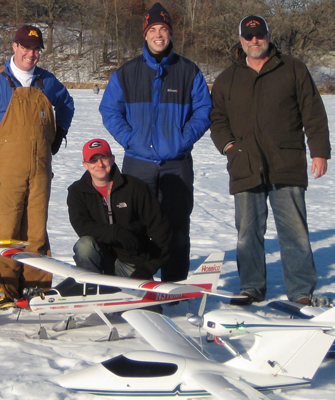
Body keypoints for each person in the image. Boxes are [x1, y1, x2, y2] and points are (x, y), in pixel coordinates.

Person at [209, 15, 330, 306]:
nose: (255, 41)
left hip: (286, 162)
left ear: (269, 36)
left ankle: (301, 291)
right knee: (248, 233)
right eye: (249, 37)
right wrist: (229, 147)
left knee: (295, 232)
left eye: (259, 35)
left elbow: (312, 112)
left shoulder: (293, 69)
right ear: (241, 40)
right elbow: (217, 119)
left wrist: (319, 151)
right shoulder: (227, 78)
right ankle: (251, 287)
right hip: (245, 165)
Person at [99, 2, 212, 282]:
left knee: (176, 225)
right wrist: (130, 139)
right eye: (153, 29)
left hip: (176, 163)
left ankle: (174, 285)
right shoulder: (127, 72)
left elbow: (204, 110)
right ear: (145, 34)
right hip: (138, 162)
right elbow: (110, 110)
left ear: (171, 33)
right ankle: (136, 281)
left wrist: (183, 139)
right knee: (133, 223)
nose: (158, 35)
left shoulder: (188, 71)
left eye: (163, 29)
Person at [0, 25, 75, 309]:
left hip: (40, 167)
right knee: (6, 229)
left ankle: (35, 287)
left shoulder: (46, 81)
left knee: (36, 230)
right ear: (14, 47)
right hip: (6, 167)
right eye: (26, 48)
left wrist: (59, 133)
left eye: (36, 49)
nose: (31, 54)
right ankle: (3, 288)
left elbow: (67, 104)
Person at [68, 139, 172, 280]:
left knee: (143, 294)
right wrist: (116, 233)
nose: (99, 164)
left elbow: (160, 229)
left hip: (132, 261)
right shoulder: (77, 191)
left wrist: (149, 267)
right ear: (85, 164)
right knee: (84, 246)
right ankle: (91, 286)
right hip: (100, 258)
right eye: (93, 160)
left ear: (112, 159)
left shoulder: (135, 187)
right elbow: (82, 226)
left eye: (104, 158)